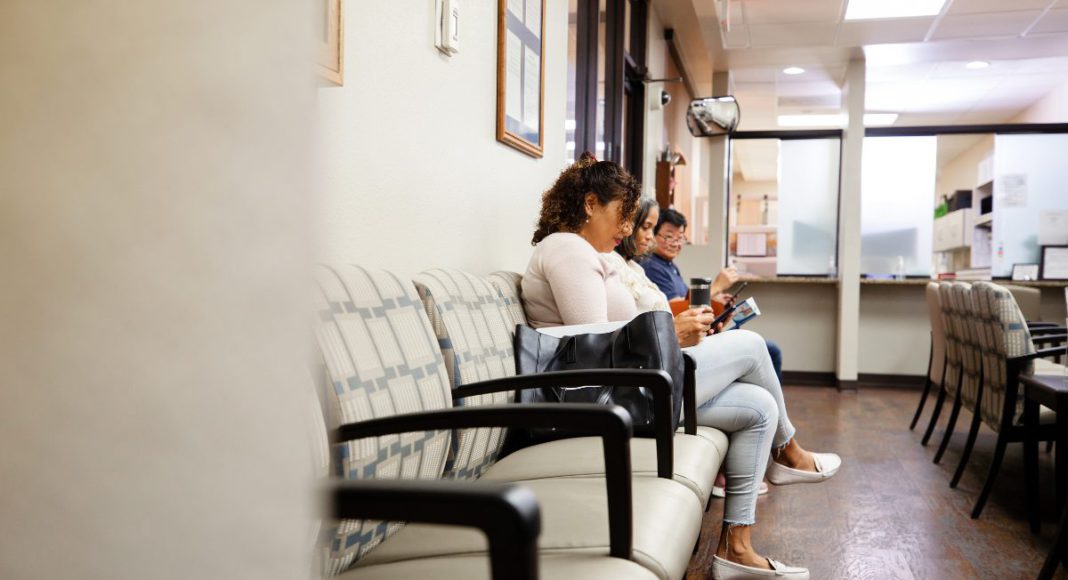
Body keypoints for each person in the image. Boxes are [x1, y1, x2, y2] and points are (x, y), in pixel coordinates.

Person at [521, 153, 841, 580]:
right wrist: (670, 333)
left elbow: (610, 338)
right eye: (622, 216)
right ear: (590, 203)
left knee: (759, 407)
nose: (627, 230)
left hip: (628, 388)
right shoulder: (566, 248)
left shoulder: (592, 253)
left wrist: (672, 331)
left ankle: (736, 548)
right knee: (750, 346)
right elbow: (594, 347)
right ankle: (789, 451)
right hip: (604, 398)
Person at [639, 209, 785, 383]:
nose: (675, 243)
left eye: (680, 238)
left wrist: (716, 301)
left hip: (696, 338)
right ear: (653, 234)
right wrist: (716, 287)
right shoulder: (651, 266)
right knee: (770, 350)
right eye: (669, 236)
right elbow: (675, 311)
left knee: (762, 346)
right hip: (683, 345)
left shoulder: (669, 266)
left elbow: (686, 303)